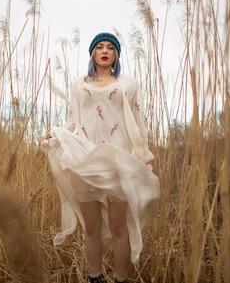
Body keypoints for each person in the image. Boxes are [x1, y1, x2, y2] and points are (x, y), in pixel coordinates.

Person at [41, 32, 160, 283]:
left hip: (118, 161)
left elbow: (138, 121)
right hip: (86, 159)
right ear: (92, 53)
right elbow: (72, 120)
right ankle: (95, 278)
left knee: (119, 226)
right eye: (99, 47)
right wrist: (55, 135)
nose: (105, 51)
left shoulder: (127, 83)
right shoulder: (79, 83)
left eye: (111, 48)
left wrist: (144, 155)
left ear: (116, 54)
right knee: (91, 228)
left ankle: (120, 279)